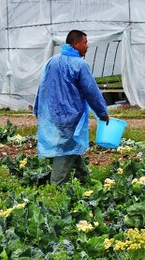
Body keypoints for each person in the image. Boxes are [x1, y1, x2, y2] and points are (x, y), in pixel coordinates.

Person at [34, 30, 111, 184]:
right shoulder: (80, 65)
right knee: (65, 150)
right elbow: (91, 91)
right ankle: (56, 186)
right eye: (85, 42)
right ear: (76, 44)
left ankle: (84, 179)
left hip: (54, 115)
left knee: (71, 145)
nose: (87, 46)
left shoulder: (52, 62)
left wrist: (38, 109)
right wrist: (102, 112)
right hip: (71, 116)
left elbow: (42, 87)